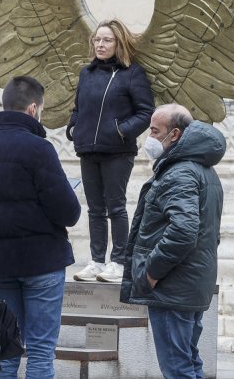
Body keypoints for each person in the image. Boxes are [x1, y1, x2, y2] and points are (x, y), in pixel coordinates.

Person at [0, 76, 81, 379]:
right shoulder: (39, 149)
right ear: (33, 109)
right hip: (41, 260)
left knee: (3, 352)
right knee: (41, 351)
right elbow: (68, 212)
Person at [120, 104, 224, 379]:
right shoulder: (202, 170)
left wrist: (152, 272)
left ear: (175, 134)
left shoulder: (179, 173)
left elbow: (184, 230)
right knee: (189, 364)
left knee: (178, 369)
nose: (149, 138)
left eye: (155, 131)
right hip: (189, 284)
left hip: (172, 288)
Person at [67, 19, 154, 283]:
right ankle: (96, 261)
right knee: (94, 209)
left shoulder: (132, 73)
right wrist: (74, 125)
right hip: (88, 150)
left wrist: (121, 131)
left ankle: (118, 261)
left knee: (115, 207)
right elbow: (78, 107)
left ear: (118, 43)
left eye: (106, 40)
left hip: (118, 151)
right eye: (97, 39)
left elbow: (146, 112)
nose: (100, 44)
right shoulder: (86, 73)